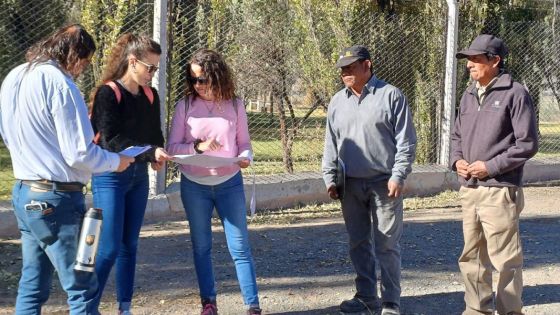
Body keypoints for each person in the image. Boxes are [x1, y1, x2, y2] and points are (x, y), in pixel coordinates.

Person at [0, 24, 134, 315]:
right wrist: (116, 161)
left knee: (32, 284)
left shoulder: (15, 76)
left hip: (25, 191)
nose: (81, 70)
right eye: (84, 63)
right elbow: (79, 152)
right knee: (82, 286)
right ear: (74, 57)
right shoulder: (60, 83)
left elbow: (7, 135)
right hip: (56, 198)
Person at [322, 45, 417, 315]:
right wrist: (330, 177)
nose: (345, 73)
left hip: (384, 183)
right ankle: (366, 296)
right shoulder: (337, 101)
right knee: (358, 243)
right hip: (349, 185)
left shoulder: (390, 96)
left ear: (367, 65)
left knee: (386, 243)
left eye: (350, 67)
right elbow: (331, 142)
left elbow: (406, 142)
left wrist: (398, 175)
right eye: (342, 69)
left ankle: (390, 302)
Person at [166, 48, 261, 315]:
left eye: (203, 79)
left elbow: (244, 145)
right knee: (202, 246)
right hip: (194, 185)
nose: (199, 86)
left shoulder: (235, 104)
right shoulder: (185, 105)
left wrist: (244, 158)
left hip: (229, 181)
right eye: (194, 80)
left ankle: (252, 305)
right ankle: (209, 303)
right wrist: (198, 147)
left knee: (240, 245)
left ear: (217, 76)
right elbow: (172, 148)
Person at [452, 34, 538, 315]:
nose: (469, 65)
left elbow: (527, 144)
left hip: (499, 189)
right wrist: (457, 162)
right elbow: (456, 135)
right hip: (470, 188)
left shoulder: (515, 93)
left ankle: (510, 311)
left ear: (495, 61)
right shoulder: (467, 94)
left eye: (476, 59)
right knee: (472, 256)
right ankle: (476, 310)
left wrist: (490, 167)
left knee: (505, 260)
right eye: (468, 60)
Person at [88, 33, 171, 315]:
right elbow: (112, 140)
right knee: (108, 248)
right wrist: (149, 153)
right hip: (110, 176)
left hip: (137, 177)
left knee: (129, 245)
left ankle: (125, 307)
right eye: (150, 68)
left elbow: (153, 135)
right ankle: (87, 307)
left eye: (156, 68)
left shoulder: (150, 95)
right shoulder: (107, 93)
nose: (152, 74)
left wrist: (157, 154)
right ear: (133, 62)